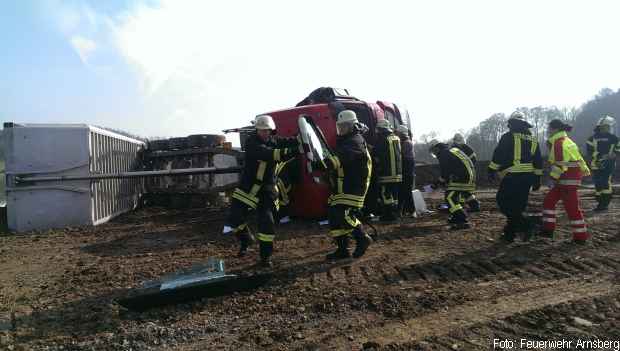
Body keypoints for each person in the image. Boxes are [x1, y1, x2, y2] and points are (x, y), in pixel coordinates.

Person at [222, 115, 299, 267]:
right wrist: (293, 151)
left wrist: (301, 138)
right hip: (248, 187)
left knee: (266, 222)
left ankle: (265, 257)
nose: (264, 133)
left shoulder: (274, 140)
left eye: (267, 130)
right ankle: (246, 240)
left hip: (266, 190)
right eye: (261, 130)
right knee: (234, 218)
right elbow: (268, 154)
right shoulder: (251, 143)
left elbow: (290, 141)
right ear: (257, 130)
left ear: (271, 131)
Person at [322, 110, 373, 260]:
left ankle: (362, 238)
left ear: (352, 126)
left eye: (345, 126)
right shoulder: (347, 140)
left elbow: (341, 158)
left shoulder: (354, 141)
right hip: (343, 186)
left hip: (354, 187)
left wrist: (326, 164)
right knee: (333, 215)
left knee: (342, 214)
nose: (341, 129)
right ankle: (342, 250)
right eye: (340, 126)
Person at [488, 111, 543, 242]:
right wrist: (537, 178)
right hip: (528, 178)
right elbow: (538, 160)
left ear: (511, 123)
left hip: (513, 176)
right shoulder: (533, 139)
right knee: (518, 206)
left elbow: (498, 155)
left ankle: (527, 224)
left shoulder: (508, 137)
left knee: (503, 201)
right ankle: (510, 234)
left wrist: (491, 170)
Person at [540, 119, 591, 244]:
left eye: (549, 129)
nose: (548, 131)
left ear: (555, 129)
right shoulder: (568, 141)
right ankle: (548, 230)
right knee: (548, 202)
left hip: (567, 180)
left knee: (572, 208)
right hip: (566, 179)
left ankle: (580, 237)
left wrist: (552, 179)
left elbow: (560, 165)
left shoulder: (559, 143)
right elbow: (579, 159)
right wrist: (584, 170)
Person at [428, 140, 476, 230]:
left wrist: (437, 184)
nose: (435, 153)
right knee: (455, 195)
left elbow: (445, 172)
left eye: (434, 151)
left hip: (461, 177)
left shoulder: (443, 154)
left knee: (450, 197)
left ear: (437, 148)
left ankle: (462, 220)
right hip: (469, 175)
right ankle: (456, 217)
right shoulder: (452, 150)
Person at [586, 115, 619, 211]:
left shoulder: (614, 138)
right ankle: (600, 201)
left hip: (609, 164)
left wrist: (615, 153)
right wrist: (601, 156)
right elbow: (589, 151)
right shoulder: (591, 138)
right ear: (601, 126)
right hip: (596, 164)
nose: (609, 128)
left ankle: (604, 203)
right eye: (607, 126)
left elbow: (618, 148)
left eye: (609, 127)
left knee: (605, 182)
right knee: (598, 184)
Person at [373, 119, 403, 222]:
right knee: (394, 195)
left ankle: (389, 215)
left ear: (381, 129)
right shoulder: (396, 138)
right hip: (397, 172)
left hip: (386, 172)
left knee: (385, 193)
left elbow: (377, 154)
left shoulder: (382, 139)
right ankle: (396, 214)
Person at [452, 133, 480, 212]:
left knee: (461, 189)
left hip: (464, 172)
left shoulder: (457, 148)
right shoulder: (466, 147)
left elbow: (456, 161)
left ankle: (463, 205)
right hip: (469, 171)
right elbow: (473, 159)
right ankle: (473, 205)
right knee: (465, 190)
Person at [396, 125, 416, 217]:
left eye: (398, 133)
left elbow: (401, 156)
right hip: (406, 172)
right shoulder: (406, 142)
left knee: (406, 192)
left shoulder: (407, 143)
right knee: (402, 192)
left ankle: (412, 211)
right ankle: (402, 211)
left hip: (407, 173)